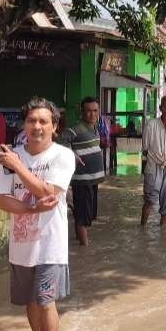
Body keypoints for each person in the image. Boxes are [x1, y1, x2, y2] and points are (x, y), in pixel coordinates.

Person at [0, 97, 76, 331]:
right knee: (29, 301)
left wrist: (18, 165)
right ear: (24, 125)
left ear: (54, 126)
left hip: (50, 244)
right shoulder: (9, 157)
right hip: (21, 244)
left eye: (43, 121)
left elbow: (47, 191)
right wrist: (29, 210)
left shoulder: (62, 156)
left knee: (45, 299)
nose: (37, 126)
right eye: (31, 121)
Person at [65, 97, 106, 246]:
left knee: (87, 213)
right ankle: (85, 247)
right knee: (82, 215)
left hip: (92, 180)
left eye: (95, 111)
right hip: (82, 180)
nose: (92, 114)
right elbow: (59, 143)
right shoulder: (75, 130)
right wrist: (72, 154)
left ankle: (79, 239)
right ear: (81, 112)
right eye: (88, 111)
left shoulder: (95, 128)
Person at [141, 95, 166, 227]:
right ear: (160, 108)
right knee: (149, 201)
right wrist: (145, 170)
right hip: (153, 167)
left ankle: (162, 233)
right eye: (165, 106)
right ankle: (142, 228)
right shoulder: (151, 125)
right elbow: (145, 149)